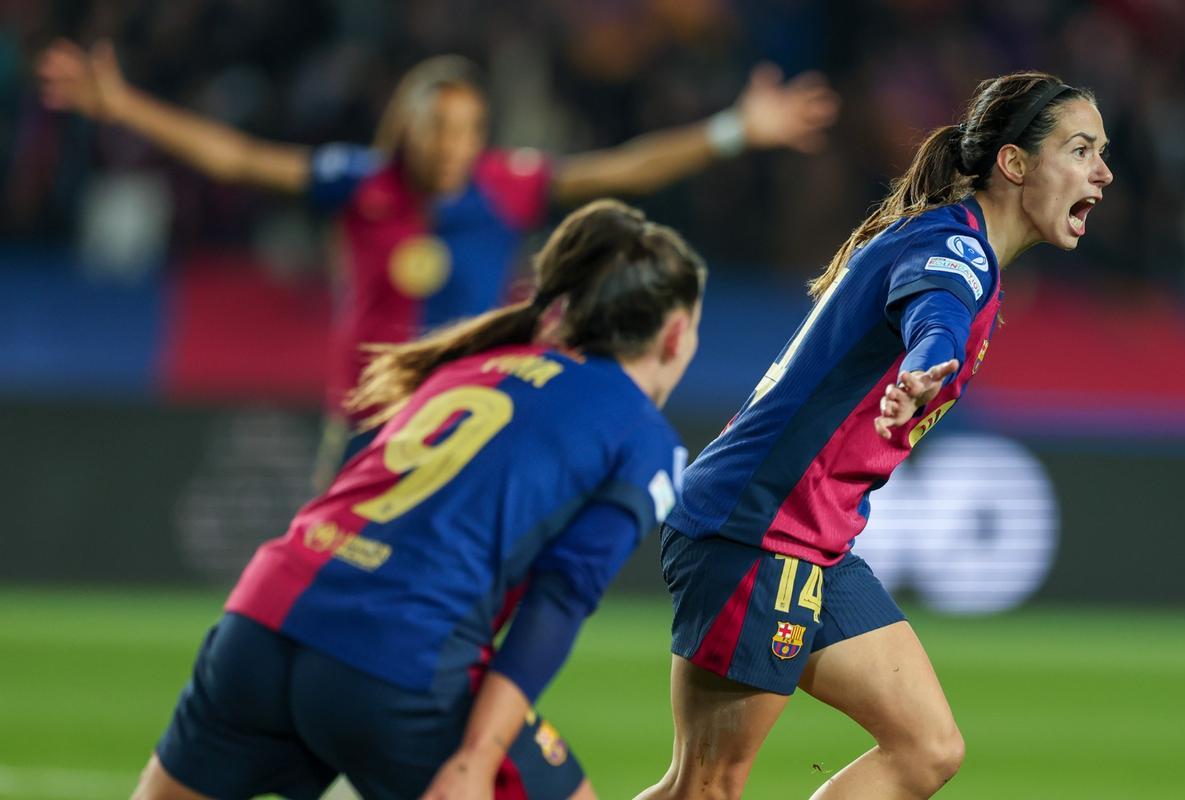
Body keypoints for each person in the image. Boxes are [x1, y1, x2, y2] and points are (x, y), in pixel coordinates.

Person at [37, 40, 836, 483]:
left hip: (470, 418)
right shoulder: (361, 183)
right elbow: (238, 157)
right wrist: (123, 105)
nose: (453, 144)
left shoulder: (502, 187)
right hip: (369, 420)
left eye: (467, 129)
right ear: (408, 127)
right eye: (439, 127)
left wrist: (735, 130)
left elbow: (623, 167)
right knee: (332, 587)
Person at [636, 71, 1112, 800]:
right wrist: (925, 364)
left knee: (926, 749)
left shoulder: (957, 245)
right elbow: (936, 314)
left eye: (1101, 153)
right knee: (704, 788)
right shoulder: (955, 250)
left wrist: (925, 361)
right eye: (1081, 150)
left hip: (809, 538)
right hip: (758, 530)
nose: (1102, 173)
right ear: (1015, 164)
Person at [130, 198, 705, 800]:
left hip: (261, 622)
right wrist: (476, 756)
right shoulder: (644, 439)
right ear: (674, 336)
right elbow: (560, 599)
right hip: (397, 659)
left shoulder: (473, 366)